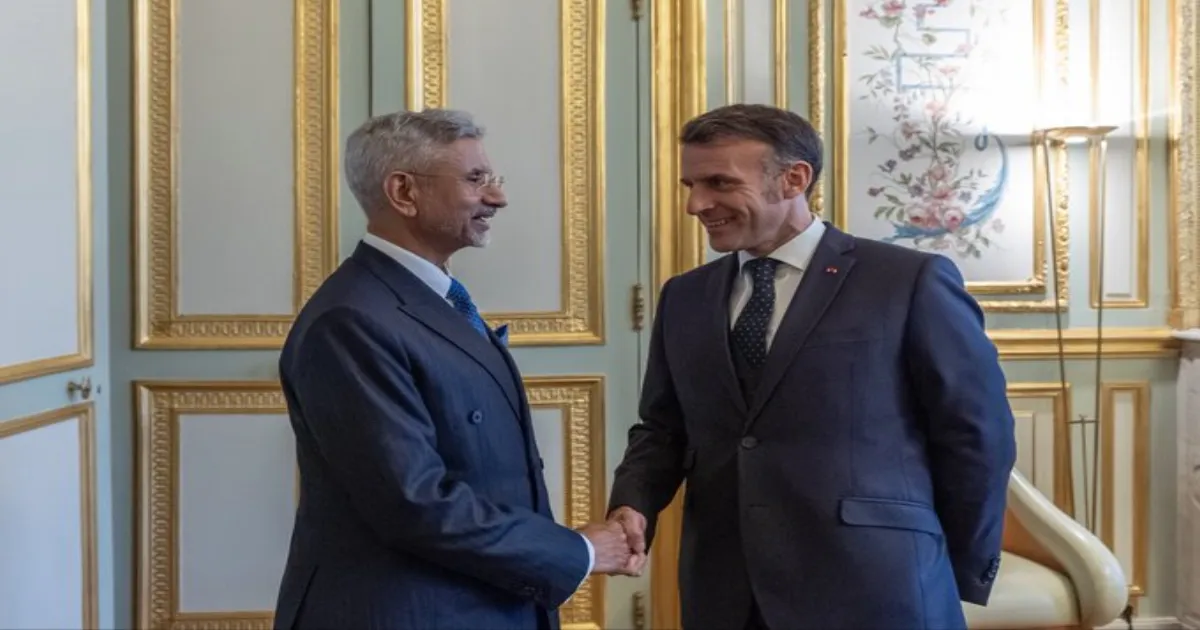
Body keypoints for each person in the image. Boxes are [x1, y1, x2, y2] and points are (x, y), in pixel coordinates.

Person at [606, 103, 1017, 630]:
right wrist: (632, 505)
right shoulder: (684, 296)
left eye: (719, 183)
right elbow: (662, 429)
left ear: (794, 179)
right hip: (727, 591)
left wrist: (946, 565)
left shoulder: (907, 281)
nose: (696, 204)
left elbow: (977, 434)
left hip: (877, 585)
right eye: (691, 185)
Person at [272, 109, 634, 630]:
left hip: (474, 601)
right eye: (475, 179)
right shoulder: (350, 320)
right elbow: (413, 501)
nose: (497, 197)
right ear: (404, 192)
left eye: (492, 178)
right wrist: (579, 551)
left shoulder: (423, 296)